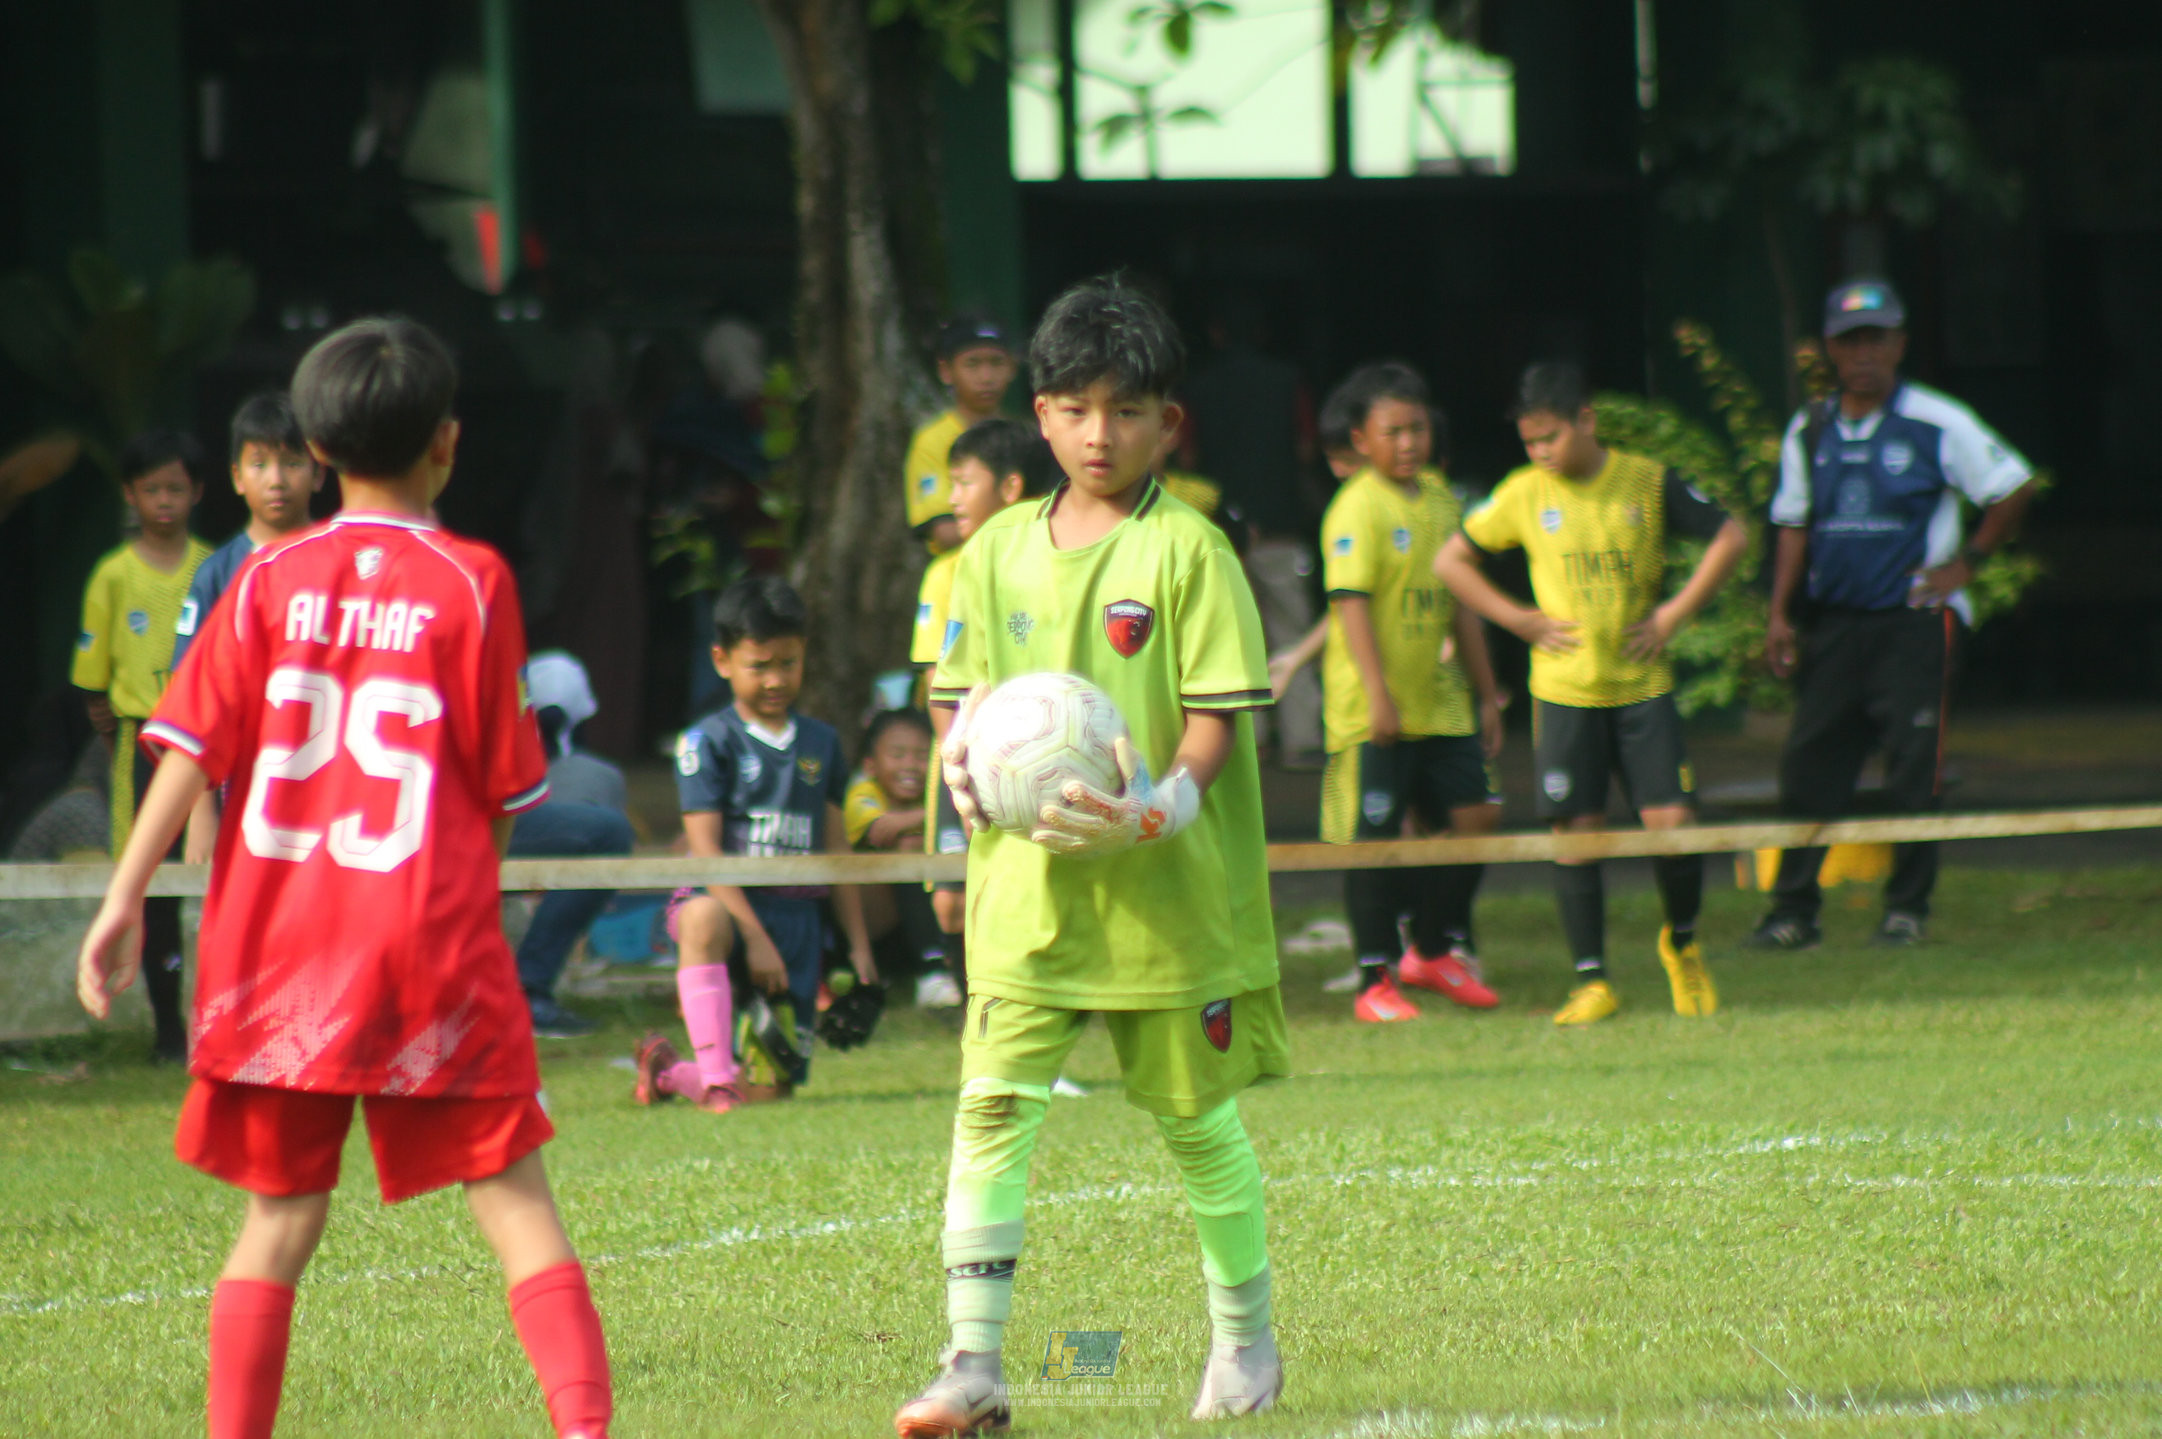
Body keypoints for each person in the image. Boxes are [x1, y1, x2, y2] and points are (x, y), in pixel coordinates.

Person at [74, 316, 613, 1439]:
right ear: (447, 443)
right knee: (516, 1203)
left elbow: (188, 748)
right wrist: (475, 930)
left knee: (277, 1222)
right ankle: (583, 1429)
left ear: (316, 452)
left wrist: (123, 896)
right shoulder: (472, 581)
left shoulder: (265, 578)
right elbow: (503, 788)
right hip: (423, 945)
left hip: (280, 953)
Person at [896, 275, 1286, 1434]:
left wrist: (1154, 808)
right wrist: (958, 755)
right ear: (1040, 412)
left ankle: (1244, 1343)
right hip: (1026, 894)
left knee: (1195, 1122)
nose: (1097, 434)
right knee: (990, 1107)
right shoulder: (992, 549)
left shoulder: (1190, 551)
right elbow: (960, 694)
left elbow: (1214, 721)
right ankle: (971, 1363)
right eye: (1073, 409)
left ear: (1169, 422)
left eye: (1125, 410)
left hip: (1162, 896)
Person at [1436, 362, 1747, 1026]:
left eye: (1550, 437)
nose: (1540, 453)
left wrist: (1673, 614)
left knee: (1673, 827)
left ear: (1586, 420)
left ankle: (1683, 943)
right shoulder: (1522, 493)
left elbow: (1731, 534)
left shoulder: (1646, 480)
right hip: (1564, 692)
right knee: (1576, 834)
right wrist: (1517, 619)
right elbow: (1450, 561)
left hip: (1642, 686)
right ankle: (1591, 981)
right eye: (1529, 442)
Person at [1749, 279, 2036, 949]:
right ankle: (1792, 913)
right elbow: (1793, 524)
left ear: (1899, 344)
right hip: (1835, 623)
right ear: (1830, 348)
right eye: (1850, 341)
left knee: (1914, 768)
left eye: (1876, 339)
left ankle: (1906, 910)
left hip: (1915, 623)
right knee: (1809, 768)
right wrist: (1779, 613)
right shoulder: (1810, 427)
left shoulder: (1938, 421)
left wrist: (1966, 563)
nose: (1864, 354)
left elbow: (2012, 485)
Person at [633, 576, 876, 1110]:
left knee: (768, 1093)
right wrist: (755, 937)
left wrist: (859, 946)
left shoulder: (822, 743)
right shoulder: (707, 741)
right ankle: (716, 1079)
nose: (775, 680)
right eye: (759, 666)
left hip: (796, 920)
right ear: (722, 661)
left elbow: (837, 854)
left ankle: (669, 1071)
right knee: (701, 918)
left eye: (788, 663)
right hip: (727, 909)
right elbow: (706, 854)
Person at [1319, 363, 1505, 1023]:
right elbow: (1351, 606)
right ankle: (1375, 979)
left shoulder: (1442, 499)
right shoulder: (1356, 507)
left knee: (1477, 818)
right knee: (1376, 840)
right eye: (1392, 431)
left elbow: (1462, 603)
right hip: (1374, 710)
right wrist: (1378, 696)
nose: (1408, 443)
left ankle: (1429, 950)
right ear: (1361, 440)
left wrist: (1488, 693)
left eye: (1417, 429)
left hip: (1441, 702)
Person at [73, 430, 213, 1061]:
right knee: (152, 886)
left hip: (212, 746)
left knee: (215, 878)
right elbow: (92, 685)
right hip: (142, 744)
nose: (164, 501)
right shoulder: (112, 575)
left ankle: (227, 1020)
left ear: (198, 492)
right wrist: (117, 745)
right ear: (130, 493)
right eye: (151, 489)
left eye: (175, 488)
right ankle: (167, 1032)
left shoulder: (212, 568)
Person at [911, 418, 1061, 1003]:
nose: (952, 498)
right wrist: (960, 758)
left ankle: (1031, 1000)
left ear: (1010, 486)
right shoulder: (947, 571)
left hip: (1043, 753)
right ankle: (973, 1003)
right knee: (952, 899)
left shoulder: (1056, 562)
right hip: (967, 757)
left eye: (964, 482)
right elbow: (938, 680)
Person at [175, 392, 328, 866]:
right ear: (237, 477)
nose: (276, 480)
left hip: (327, 784)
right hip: (239, 789)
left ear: (320, 472)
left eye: (292, 463)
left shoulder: (343, 567)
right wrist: (200, 811)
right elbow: (193, 702)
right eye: (259, 464)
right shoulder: (217, 575)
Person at [506, 650, 637, 1039]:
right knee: (610, 833)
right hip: (468, 826)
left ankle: (525, 987)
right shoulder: (598, 772)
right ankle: (530, 987)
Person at [843, 706, 957, 1006]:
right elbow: (882, 829)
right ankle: (931, 970)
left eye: (922, 756)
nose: (910, 766)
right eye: (897, 755)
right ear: (870, 765)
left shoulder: (936, 792)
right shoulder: (862, 793)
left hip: (923, 915)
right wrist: (932, 815)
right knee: (909, 848)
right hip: (872, 925)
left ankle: (945, 964)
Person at [904, 315, 1018, 554]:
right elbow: (944, 532)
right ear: (946, 371)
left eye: (996, 363)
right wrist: (1019, 533)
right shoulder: (933, 440)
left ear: (1012, 368)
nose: (986, 377)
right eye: (972, 364)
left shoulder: (1025, 436)